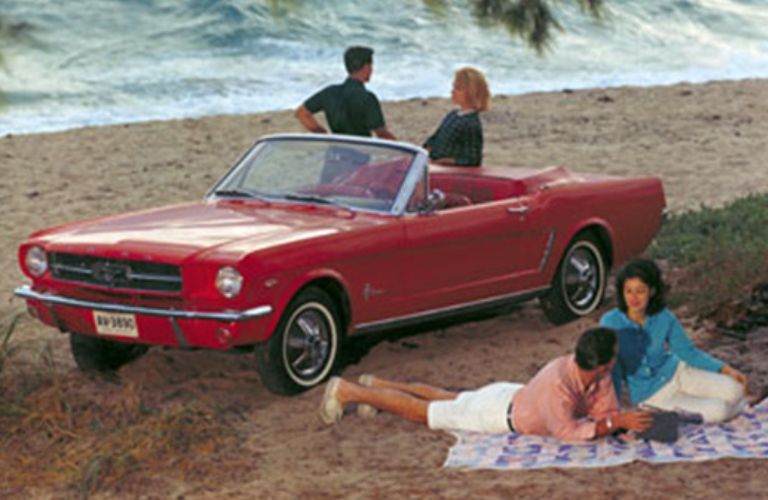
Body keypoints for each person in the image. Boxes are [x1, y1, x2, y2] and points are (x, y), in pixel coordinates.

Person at [319, 327, 652, 442]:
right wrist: (612, 423)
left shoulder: (599, 375)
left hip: (509, 395)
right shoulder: (557, 380)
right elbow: (565, 431)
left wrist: (625, 424)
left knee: (450, 398)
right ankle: (349, 390)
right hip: (497, 414)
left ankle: (376, 384)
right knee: (428, 413)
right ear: (603, 361)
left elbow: (606, 411)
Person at [600, 258, 761, 423]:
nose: (633, 298)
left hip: (679, 373)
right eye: (628, 291)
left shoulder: (663, 316)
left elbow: (687, 351)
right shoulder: (610, 322)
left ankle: (731, 406)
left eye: (640, 291)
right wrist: (615, 414)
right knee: (718, 411)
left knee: (736, 390)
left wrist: (725, 369)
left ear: (652, 291)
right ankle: (725, 409)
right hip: (653, 396)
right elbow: (613, 368)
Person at [295, 46, 396, 140]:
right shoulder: (368, 98)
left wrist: (323, 135)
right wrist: (402, 147)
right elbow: (381, 133)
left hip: (336, 152)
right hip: (361, 154)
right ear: (367, 67)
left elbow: (301, 113)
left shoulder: (329, 92)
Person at [422, 67, 490, 167]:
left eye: (458, 89)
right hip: (433, 163)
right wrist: (424, 151)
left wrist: (444, 162)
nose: (452, 91)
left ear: (471, 93)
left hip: (449, 171)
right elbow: (435, 137)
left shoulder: (471, 124)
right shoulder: (453, 114)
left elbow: (473, 160)